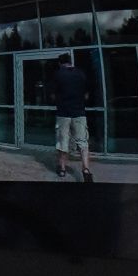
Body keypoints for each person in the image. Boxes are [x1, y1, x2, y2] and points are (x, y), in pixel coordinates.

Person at [52, 53, 93, 182]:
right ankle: (86, 170)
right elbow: (87, 95)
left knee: (62, 141)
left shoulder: (58, 74)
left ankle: (62, 169)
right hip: (79, 113)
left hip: (63, 113)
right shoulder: (81, 74)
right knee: (83, 142)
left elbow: (52, 95)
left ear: (60, 63)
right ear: (70, 62)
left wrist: (60, 100)